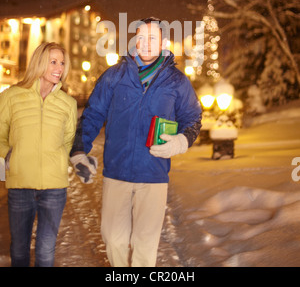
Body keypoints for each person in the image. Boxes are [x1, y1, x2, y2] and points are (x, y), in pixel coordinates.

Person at [70, 17, 202, 267]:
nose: (145, 43)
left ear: (163, 42)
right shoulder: (115, 76)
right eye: (140, 37)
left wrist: (181, 142)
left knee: (145, 244)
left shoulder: (177, 81)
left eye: (152, 38)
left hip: (153, 175)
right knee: (114, 239)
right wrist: (79, 151)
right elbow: (93, 114)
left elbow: (193, 117)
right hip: (116, 173)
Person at [0, 42, 77, 267]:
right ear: (39, 62)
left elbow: (68, 141)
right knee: (19, 250)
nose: (59, 67)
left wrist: (67, 161)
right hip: (20, 185)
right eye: (53, 61)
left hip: (54, 188)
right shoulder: (12, 96)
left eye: (62, 63)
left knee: (45, 252)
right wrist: (8, 155)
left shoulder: (68, 103)